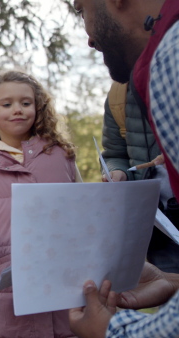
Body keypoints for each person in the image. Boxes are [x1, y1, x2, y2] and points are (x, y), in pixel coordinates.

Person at [69, 0, 179, 336]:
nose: (88, 38)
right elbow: (114, 151)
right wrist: (170, 282)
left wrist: (116, 331)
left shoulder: (170, 58)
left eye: (81, 8)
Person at [0, 70, 80, 337]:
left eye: (26, 103)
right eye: (7, 104)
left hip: (64, 281)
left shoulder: (62, 156)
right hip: (8, 290)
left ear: (38, 108)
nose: (18, 110)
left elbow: (83, 212)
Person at [101, 81, 179, 273]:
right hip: (160, 226)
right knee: (170, 297)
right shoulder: (118, 96)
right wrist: (119, 173)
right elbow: (115, 154)